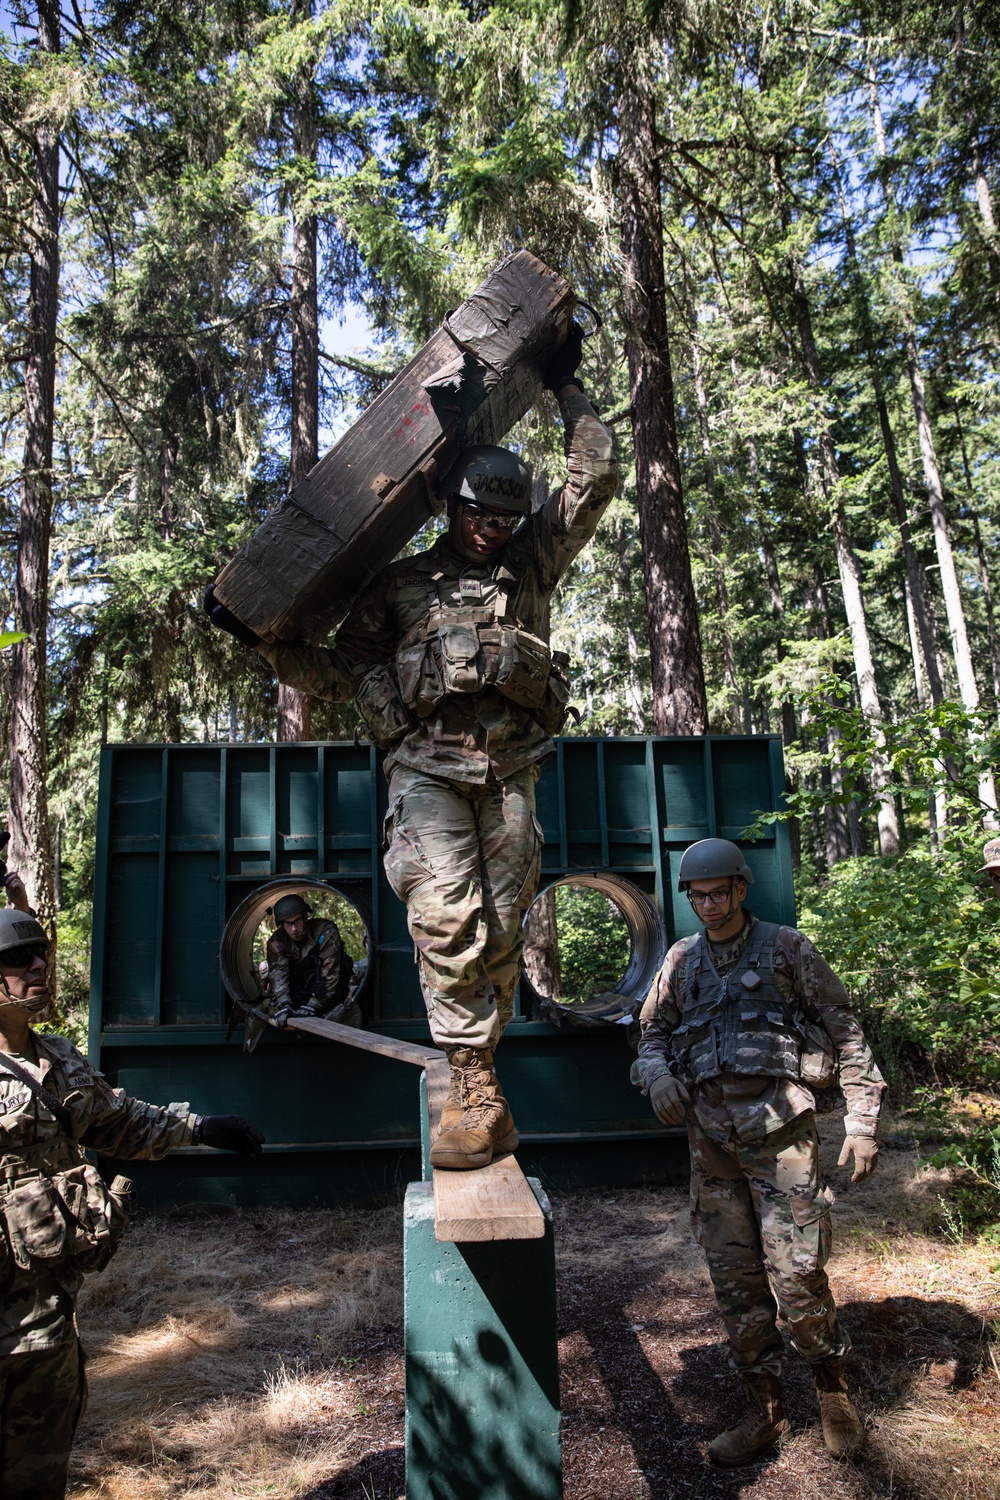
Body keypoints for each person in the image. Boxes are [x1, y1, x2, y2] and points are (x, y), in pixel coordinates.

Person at [207, 327, 617, 1169]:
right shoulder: (399, 587)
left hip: (508, 773)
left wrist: (564, 387)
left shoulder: (532, 567)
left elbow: (596, 477)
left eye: (506, 519)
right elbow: (339, 672)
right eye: (480, 515)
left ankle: (485, 1080)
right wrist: (255, 640)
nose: (494, 531)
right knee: (445, 918)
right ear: (453, 508)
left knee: (501, 931)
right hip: (426, 772)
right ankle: (471, 1082)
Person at [632, 838, 885, 1466]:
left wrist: (862, 1124)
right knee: (736, 1284)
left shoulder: (786, 949)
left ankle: (832, 1389)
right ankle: (766, 1408)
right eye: (699, 895)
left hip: (783, 1140)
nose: (709, 905)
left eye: (720, 892)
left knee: (798, 1276)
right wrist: (658, 1074)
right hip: (712, 1146)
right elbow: (651, 1032)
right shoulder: (682, 960)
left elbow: (844, 1028)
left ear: (742, 889)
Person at [0, 905, 265, 1499]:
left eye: (40, 951)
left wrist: (200, 1127)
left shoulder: (56, 1060)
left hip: (45, 1322)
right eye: (18, 958)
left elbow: (119, 1122)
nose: (38, 963)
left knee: (36, 1476)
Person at [263, 892, 359, 1028]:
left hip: (329, 991)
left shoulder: (324, 931)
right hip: (299, 991)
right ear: (281, 925)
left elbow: (331, 972)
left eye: (297, 921)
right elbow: (278, 974)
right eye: (287, 924)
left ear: (305, 917)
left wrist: (315, 1004)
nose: (294, 928)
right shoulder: (277, 942)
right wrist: (284, 1004)